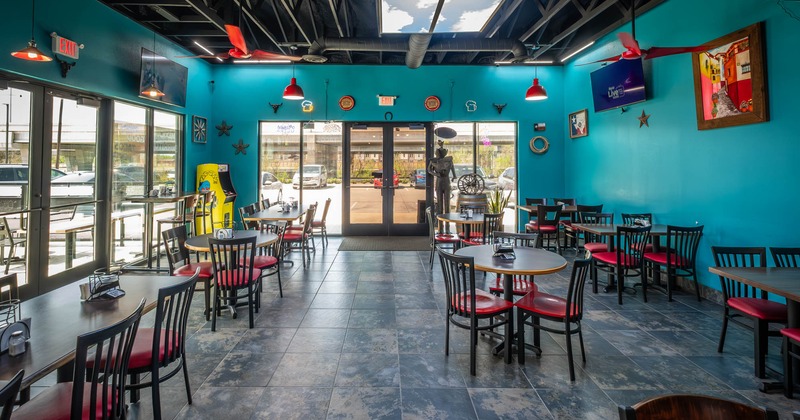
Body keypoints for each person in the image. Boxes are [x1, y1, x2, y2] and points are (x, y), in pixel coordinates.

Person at [427, 140, 456, 216]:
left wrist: (454, 176)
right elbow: (429, 169)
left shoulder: (449, 160)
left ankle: (447, 215)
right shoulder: (434, 161)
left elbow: (452, 168)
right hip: (439, 180)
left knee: (447, 200)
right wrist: (436, 174)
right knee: (439, 200)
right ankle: (440, 216)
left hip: (446, 180)